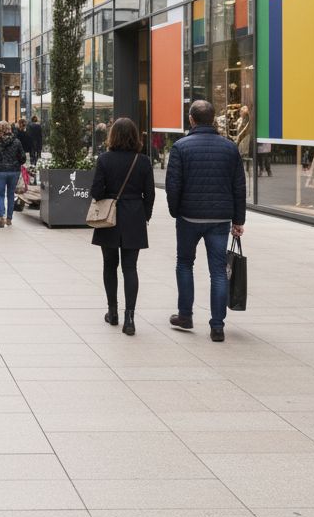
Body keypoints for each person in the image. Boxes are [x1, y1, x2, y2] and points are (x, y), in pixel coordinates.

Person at [165, 100, 247, 342]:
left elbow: (173, 185)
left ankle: (185, 315)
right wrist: (238, 220)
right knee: (218, 272)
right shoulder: (229, 148)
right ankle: (218, 325)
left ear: (191, 119)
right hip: (219, 218)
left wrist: (175, 210)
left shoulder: (180, 147)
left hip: (189, 216)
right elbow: (239, 187)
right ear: (212, 119)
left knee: (184, 263)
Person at [89, 117, 156, 336]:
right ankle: (130, 318)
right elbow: (150, 194)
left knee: (109, 265)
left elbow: (97, 191)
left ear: (112, 136)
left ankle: (112, 312)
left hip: (109, 218)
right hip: (134, 216)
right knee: (130, 267)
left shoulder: (105, 159)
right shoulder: (143, 161)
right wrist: (144, 216)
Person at [0, 120, 27, 228]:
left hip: (0, 171)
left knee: (0, 195)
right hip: (14, 171)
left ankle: (2, 216)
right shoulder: (16, 141)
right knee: (11, 195)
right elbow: (23, 158)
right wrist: (17, 163)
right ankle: (9, 219)